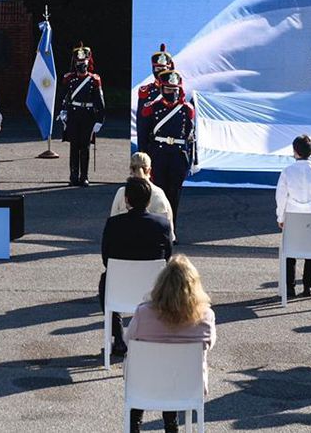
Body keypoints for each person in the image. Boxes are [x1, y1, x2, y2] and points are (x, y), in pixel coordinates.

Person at [125, 254, 216, 433]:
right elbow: (209, 344)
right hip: (188, 387)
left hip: (146, 384)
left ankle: (134, 425)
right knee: (174, 369)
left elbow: (129, 341)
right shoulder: (206, 316)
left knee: (145, 367)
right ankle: (171, 425)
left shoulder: (143, 313)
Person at [99, 177, 172, 357]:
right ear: (149, 200)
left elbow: (106, 258)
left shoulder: (114, 224)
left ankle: (118, 337)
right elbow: (167, 257)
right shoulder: (162, 225)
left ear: (126, 199)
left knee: (105, 280)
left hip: (120, 288)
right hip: (154, 287)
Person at [136, 70, 195, 241]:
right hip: (158, 155)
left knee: (174, 195)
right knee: (158, 194)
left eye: (175, 89)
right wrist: (144, 159)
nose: (172, 93)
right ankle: (156, 231)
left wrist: (191, 160)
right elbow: (143, 135)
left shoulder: (186, 109)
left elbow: (190, 136)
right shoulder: (151, 108)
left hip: (178, 156)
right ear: (162, 89)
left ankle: (170, 231)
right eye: (169, 89)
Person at [275, 134, 311, 298]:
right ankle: (307, 286)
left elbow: (281, 196)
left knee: (289, 252)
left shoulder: (287, 171)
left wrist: (280, 217)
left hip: (292, 216)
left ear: (295, 151)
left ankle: (289, 287)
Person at [57, 43, 104, 187]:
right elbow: (63, 96)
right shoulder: (69, 78)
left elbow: (99, 101)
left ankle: (84, 176)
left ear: (88, 62)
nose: (81, 65)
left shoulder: (94, 79)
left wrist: (99, 120)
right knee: (74, 146)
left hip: (88, 115)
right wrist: (63, 111)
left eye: (83, 62)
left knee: (85, 147)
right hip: (73, 114)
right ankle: (73, 176)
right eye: (78, 63)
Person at [108, 153, 174, 241]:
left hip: (124, 244)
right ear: (149, 170)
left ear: (131, 169)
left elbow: (112, 223)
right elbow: (168, 231)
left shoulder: (121, 193)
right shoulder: (159, 194)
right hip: (152, 246)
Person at [134, 43, 174, 116]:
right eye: (158, 69)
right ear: (153, 69)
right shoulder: (146, 91)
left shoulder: (176, 90)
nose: (160, 72)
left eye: (163, 69)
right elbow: (141, 118)